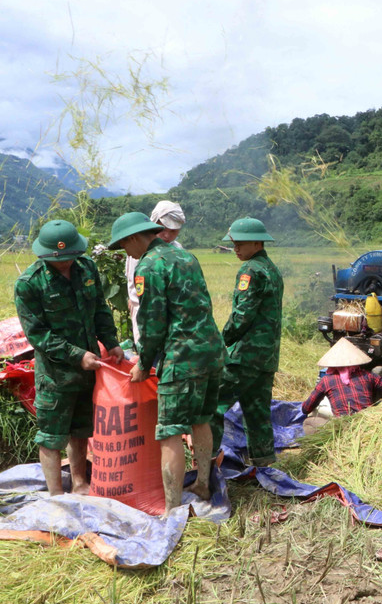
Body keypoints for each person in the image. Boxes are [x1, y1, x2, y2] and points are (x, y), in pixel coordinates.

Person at [108, 212, 226, 515]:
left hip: (181, 357)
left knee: (170, 431)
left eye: (124, 245)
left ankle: (171, 509)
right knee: (201, 419)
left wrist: (144, 363)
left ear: (134, 238)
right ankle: (202, 484)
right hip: (211, 351)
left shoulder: (148, 266)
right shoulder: (185, 256)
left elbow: (152, 323)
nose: (126, 253)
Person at [14, 220, 123, 496]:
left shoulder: (87, 268)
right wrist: (77, 355)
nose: (65, 263)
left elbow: (100, 309)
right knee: (51, 436)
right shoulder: (29, 284)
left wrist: (111, 342)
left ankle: (80, 483)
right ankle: (55, 495)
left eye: (70, 256)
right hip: (56, 377)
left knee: (81, 430)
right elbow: (38, 335)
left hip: (88, 371)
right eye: (59, 259)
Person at [210, 218, 283, 466]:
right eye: (234, 244)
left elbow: (241, 316)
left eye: (240, 244)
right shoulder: (272, 269)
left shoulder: (250, 270)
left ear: (257, 243)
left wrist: (221, 342)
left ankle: (207, 464)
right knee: (257, 412)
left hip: (244, 357)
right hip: (266, 357)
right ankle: (264, 465)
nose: (236, 249)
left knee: (212, 405)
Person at [125, 201, 186, 345]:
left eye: (173, 231)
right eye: (163, 229)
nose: (167, 235)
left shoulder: (179, 250)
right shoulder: (138, 249)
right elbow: (133, 282)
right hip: (144, 310)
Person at [302, 338, 382, 418]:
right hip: (367, 421)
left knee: (308, 423)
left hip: (343, 426)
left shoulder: (326, 381)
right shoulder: (368, 375)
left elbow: (306, 409)